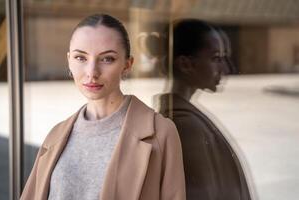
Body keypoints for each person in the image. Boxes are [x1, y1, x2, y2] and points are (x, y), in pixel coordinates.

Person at [20, 14, 185, 200]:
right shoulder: (55, 136)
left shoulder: (161, 133)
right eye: (80, 58)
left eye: (107, 59)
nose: (92, 73)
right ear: (69, 61)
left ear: (127, 65)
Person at [156, 19, 251, 200]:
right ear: (185, 64)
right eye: (216, 58)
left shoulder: (183, 118)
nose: (227, 68)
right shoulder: (185, 126)